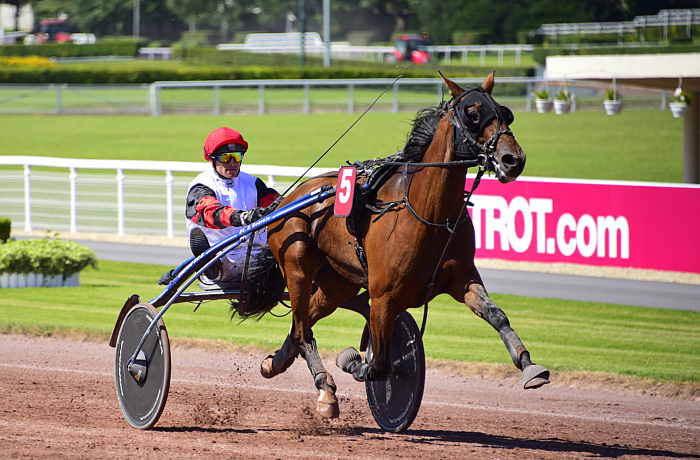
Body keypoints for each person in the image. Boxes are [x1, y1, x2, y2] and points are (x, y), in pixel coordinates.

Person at [185, 127, 279, 289]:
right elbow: (210, 212)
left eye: (237, 156)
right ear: (212, 159)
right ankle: (208, 265)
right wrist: (243, 217)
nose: (233, 163)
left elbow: (274, 202)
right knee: (221, 265)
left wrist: (275, 208)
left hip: (256, 261)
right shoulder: (201, 185)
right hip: (221, 260)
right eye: (226, 158)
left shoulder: (254, 183)